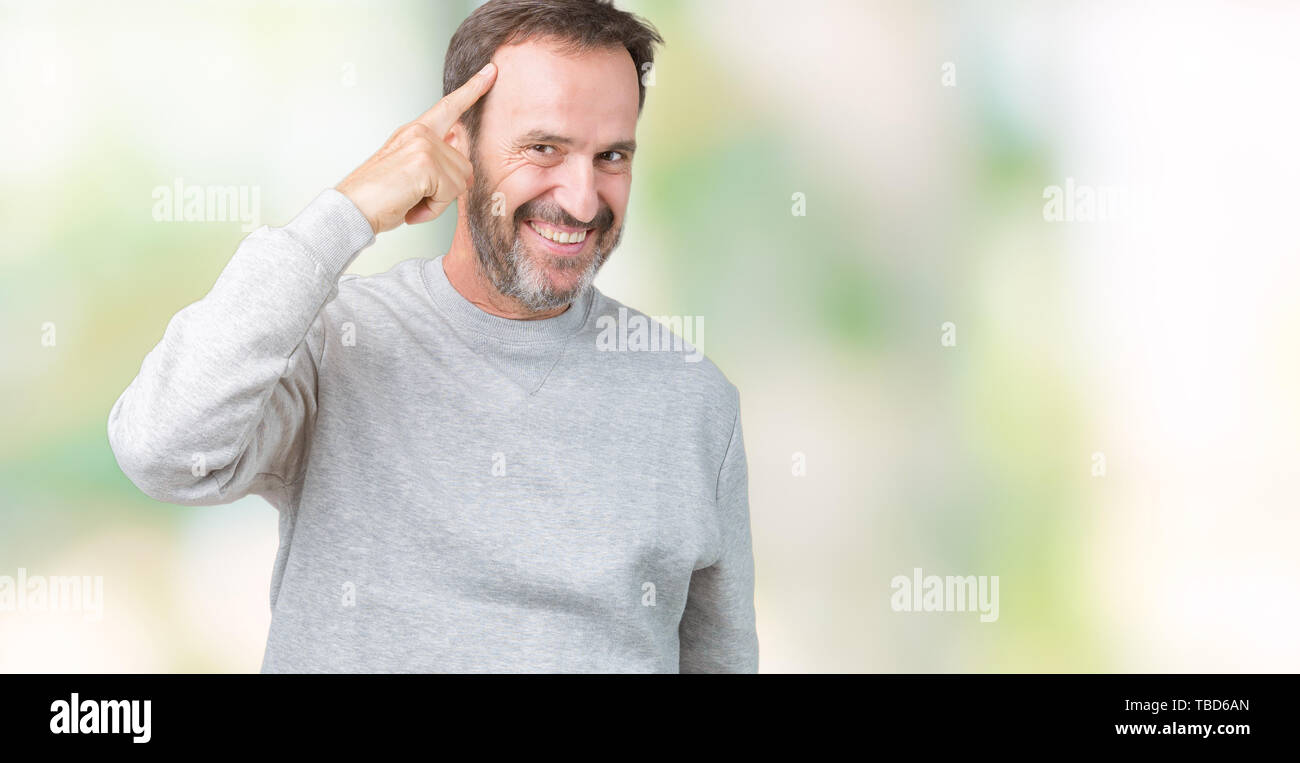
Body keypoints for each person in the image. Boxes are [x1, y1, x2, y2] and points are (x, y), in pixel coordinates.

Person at [108, 0, 757, 673]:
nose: (583, 198)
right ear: (456, 146)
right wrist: (347, 212)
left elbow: (721, 659)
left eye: (612, 155)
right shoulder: (341, 345)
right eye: (544, 148)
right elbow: (160, 447)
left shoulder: (694, 401)